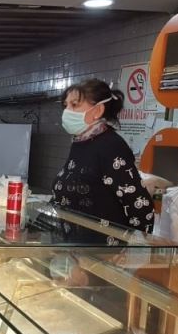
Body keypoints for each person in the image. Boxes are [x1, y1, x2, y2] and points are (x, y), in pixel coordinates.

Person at [52, 79, 154, 233]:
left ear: (98, 110)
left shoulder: (110, 145)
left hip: (103, 244)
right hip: (75, 242)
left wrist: (135, 243)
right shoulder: (80, 143)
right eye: (66, 105)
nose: (67, 111)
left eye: (74, 104)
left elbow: (138, 204)